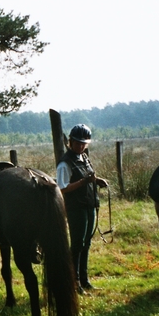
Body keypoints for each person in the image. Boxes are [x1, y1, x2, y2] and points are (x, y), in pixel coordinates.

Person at [56, 124, 108, 295]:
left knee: (86, 243)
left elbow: (88, 176)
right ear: (70, 142)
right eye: (78, 143)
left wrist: (97, 180)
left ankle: (84, 280)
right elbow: (62, 188)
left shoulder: (84, 158)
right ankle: (74, 281)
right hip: (75, 208)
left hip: (89, 205)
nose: (81, 146)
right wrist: (84, 182)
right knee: (77, 244)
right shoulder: (65, 163)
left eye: (83, 143)